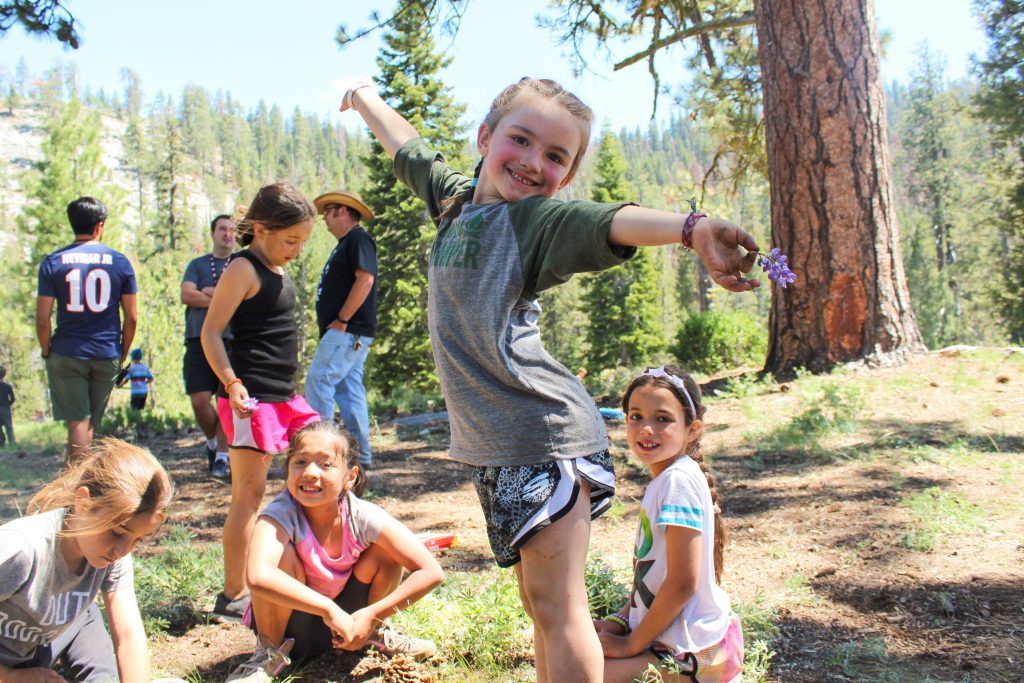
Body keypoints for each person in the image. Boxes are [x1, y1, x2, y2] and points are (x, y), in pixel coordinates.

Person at [339, 75, 760, 682]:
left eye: (557, 156)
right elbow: (410, 151)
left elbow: (603, 222)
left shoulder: (534, 224)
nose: (535, 163)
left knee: (560, 612)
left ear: (565, 175)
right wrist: (364, 97)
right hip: (500, 444)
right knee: (540, 606)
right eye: (521, 140)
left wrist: (691, 229)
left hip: (545, 437)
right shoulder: (457, 204)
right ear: (485, 139)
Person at [226, 421, 443, 682]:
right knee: (279, 560)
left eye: (326, 464)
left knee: (386, 551)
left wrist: (373, 616)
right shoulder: (279, 515)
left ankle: (373, 635)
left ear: (349, 477)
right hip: (292, 631)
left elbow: (431, 571)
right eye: (300, 462)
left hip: (350, 626)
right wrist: (328, 610)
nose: (310, 472)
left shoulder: (362, 515)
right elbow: (258, 576)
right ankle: (267, 655)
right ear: (287, 470)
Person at [200, 183, 320, 624]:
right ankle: (234, 594)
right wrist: (230, 383)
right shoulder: (243, 268)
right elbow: (211, 333)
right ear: (264, 229)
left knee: (323, 465)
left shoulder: (276, 267)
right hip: (251, 400)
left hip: (286, 396)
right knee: (248, 496)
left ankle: (306, 569)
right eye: (292, 240)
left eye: (303, 242)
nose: (297, 250)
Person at [595, 367, 742, 683]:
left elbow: (681, 584)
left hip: (695, 651)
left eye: (663, 419)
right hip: (675, 639)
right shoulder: (671, 478)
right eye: (636, 416)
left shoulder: (677, 482)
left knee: (580, 673)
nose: (646, 428)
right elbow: (654, 579)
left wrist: (629, 645)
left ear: (692, 429)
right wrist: (620, 621)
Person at [0, 438, 173, 683]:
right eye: (118, 533)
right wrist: (9, 676)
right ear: (83, 501)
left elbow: (129, 636)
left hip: (38, 646)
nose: (123, 550)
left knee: (85, 617)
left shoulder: (113, 554)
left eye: (138, 540)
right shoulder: (22, 549)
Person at [35, 197, 138, 462]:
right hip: (106, 351)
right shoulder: (120, 262)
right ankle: (88, 483)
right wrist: (122, 352)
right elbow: (132, 318)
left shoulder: (54, 262)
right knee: (93, 423)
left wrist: (46, 349)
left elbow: (43, 318)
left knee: (78, 422)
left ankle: (75, 484)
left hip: (67, 350)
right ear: (100, 226)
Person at [304, 191, 378, 470]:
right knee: (349, 391)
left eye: (329, 210)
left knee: (319, 381)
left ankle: (322, 454)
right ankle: (360, 458)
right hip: (351, 331)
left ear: (345, 211)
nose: (324, 217)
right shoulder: (348, 243)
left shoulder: (358, 239)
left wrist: (343, 319)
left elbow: (365, 279)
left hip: (348, 330)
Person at [181, 214, 236, 477]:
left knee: (225, 398)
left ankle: (222, 459)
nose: (228, 234)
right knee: (199, 400)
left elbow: (241, 301)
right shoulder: (197, 264)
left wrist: (209, 293)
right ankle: (213, 444)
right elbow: (186, 294)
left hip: (232, 339)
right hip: (197, 337)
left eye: (232, 230)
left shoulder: (240, 264)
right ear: (213, 233)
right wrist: (222, 298)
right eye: (223, 229)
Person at [0, 367, 14, 447]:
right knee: (9, 426)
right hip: (5, 408)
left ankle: (2, 444)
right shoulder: (8, 387)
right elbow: (13, 398)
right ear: (4, 375)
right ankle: (12, 443)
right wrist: (8, 404)